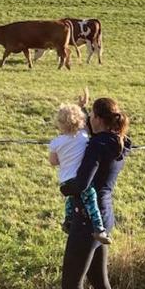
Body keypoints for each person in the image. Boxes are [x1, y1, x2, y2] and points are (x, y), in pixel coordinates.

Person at [59, 91, 131, 289]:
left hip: (87, 218)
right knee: (100, 282)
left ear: (99, 119)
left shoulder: (96, 145)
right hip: (105, 215)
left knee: (72, 285)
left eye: (91, 116)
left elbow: (82, 183)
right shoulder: (118, 143)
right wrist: (81, 109)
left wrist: (64, 188)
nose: (88, 119)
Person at [48, 102, 110, 245]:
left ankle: (68, 221)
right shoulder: (83, 136)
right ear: (81, 120)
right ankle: (99, 229)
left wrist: (63, 157)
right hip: (81, 179)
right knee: (91, 200)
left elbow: (53, 161)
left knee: (71, 199)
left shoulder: (56, 142)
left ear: (59, 123)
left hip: (65, 180)